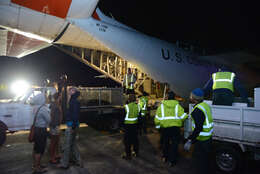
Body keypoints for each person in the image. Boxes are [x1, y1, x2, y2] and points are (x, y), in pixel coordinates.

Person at [184, 88, 213, 174]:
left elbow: (198, 128)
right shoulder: (205, 105)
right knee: (206, 160)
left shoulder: (197, 110)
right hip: (208, 138)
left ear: (194, 98)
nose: (190, 97)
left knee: (200, 161)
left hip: (202, 140)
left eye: (191, 95)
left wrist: (190, 139)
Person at [154, 91, 187, 167]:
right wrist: (185, 116)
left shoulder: (161, 106)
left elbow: (157, 119)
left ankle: (165, 157)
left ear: (167, 97)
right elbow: (183, 117)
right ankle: (172, 161)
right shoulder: (177, 106)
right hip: (175, 129)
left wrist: (158, 128)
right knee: (174, 144)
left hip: (165, 129)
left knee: (165, 143)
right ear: (174, 97)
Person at [58, 87, 82, 169]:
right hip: (73, 124)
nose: (69, 91)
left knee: (67, 145)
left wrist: (73, 125)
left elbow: (75, 114)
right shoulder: (73, 99)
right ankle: (78, 161)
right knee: (73, 144)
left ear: (74, 91)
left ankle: (64, 164)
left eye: (71, 90)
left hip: (72, 125)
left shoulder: (74, 101)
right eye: (69, 90)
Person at [32, 93, 50, 174]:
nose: (46, 99)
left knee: (36, 148)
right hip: (41, 130)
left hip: (36, 129)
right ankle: (37, 168)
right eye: (44, 97)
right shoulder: (43, 108)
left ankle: (37, 164)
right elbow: (49, 120)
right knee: (40, 149)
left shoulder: (35, 107)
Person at [121, 94, 140, 160]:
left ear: (129, 100)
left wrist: (122, 127)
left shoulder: (126, 107)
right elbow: (139, 116)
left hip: (128, 126)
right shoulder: (138, 106)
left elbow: (122, 117)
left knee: (127, 141)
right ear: (135, 100)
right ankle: (136, 152)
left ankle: (128, 155)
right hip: (135, 125)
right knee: (135, 140)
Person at [49, 92, 62, 164]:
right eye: (60, 96)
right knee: (53, 142)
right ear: (58, 97)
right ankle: (52, 158)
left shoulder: (57, 104)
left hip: (57, 125)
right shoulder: (54, 104)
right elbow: (51, 115)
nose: (61, 97)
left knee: (56, 141)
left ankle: (56, 155)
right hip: (54, 125)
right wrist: (53, 125)